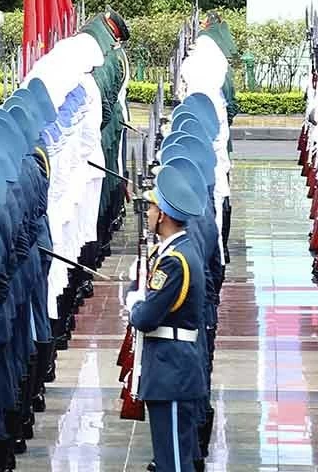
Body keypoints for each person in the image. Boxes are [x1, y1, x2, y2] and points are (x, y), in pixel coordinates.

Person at [124, 163, 208, 472]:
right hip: (171, 369)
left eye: (151, 207)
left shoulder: (174, 261)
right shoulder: (176, 251)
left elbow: (146, 317)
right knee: (170, 457)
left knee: (172, 460)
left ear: (164, 215)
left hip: (172, 371)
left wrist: (134, 303)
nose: (146, 213)